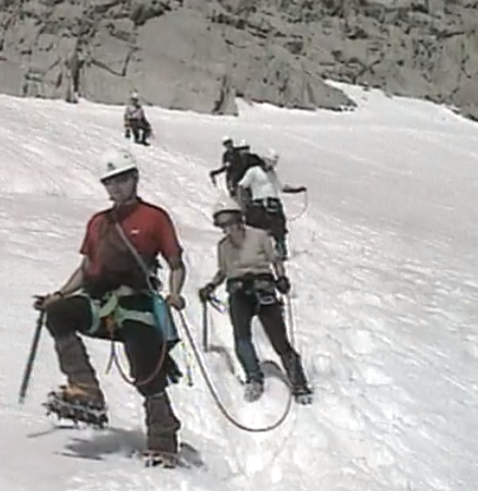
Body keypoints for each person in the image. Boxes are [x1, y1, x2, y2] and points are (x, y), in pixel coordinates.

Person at [33, 147, 188, 466]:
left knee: (144, 368)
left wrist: (175, 293)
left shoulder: (154, 218)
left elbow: (175, 263)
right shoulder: (98, 223)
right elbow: (87, 266)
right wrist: (60, 295)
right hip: (100, 303)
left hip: (137, 304)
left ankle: (163, 439)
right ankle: (85, 388)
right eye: (109, 182)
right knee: (59, 314)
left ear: (134, 179)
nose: (115, 187)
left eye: (121, 180)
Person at [197, 195, 312, 404]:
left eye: (230, 221)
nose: (227, 228)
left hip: (263, 287)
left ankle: (299, 382)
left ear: (238, 219)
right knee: (241, 336)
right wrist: (211, 286)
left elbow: (274, 259)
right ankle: (253, 377)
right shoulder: (223, 246)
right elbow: (224, 271)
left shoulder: (259, 236)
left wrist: (281, 278)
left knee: (279, 338)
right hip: (238, 291)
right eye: (222, 224)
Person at [236, 149, 307, 259]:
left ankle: (281, 250)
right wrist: (242, 203)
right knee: (257, 229)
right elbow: (241, 186)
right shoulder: (253, 171)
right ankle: (255, 251)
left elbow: (281, 187)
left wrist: (297, 190)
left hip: (274, 203)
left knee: (279, 228)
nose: (272, 164)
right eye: (271, 161)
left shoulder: (272, 174)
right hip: (259, 204)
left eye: (274, 162)